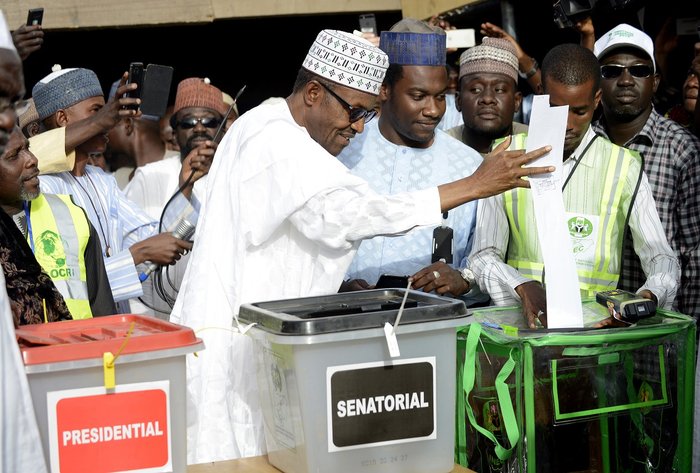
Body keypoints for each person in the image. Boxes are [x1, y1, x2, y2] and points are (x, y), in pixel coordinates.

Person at [171, 28, 553, 463]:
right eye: (354, 112)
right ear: (314, 92)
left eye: (366, 115)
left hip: (267, 343)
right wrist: (471, 186)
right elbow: (352, 214)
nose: (357, 128)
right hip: (233, 347)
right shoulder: (277, 142)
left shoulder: (270, 124)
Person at [468, 43, 679, 329]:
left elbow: (660, 256)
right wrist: (521, 286)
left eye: (579, 111)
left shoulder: (623, 166)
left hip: (594, 344)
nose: (567, 124)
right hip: (523, 337)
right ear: (541, 92)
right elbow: (482, 255)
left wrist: (648, 295)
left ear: (596, 100)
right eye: (557, 109)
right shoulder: (507, 157)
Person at [337, 18, 483, 302]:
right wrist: (339, 286)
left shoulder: (470, 166)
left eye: (440, 97)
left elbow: (485, 259)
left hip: (437, 333)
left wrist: (464, 281)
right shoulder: (345, 149)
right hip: (345, 325)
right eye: (418, 96)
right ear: (384, 90)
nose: (432, 110)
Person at [32, 66, 192, 313]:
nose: (112, 120)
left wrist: (186, 186)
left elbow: (152, 235)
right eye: (98, 111)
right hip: (73, 337)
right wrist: (137, 255)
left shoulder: (101, 180)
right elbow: (68, 283)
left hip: (115, 328)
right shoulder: (42, 187)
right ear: (63, 119)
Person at [592, 24, 700, 321]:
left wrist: (690, 332)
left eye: (638, 70)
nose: (626, 80)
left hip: (658, 336)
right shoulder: (581, 146)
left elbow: (694, 256)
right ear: (595, 84)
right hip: (592, 330)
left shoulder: (683, 150)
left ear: (654, 81)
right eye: (611, 71)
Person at [124, 77, 226, 317]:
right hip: (157, 313)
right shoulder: (149, 177)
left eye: (210, 121)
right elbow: (134, 249)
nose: (199, 128)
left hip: (217, 311)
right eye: (188, 122)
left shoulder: (238, 177)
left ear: (224, 129)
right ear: (175, 131)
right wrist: (185, 187)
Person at [1, 125, 116, 319]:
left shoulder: (71, 215)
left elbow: (103, 311)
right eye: (14, 156)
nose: (32, 160)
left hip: (77, 347)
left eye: (27, 148)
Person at [447, 36, 528, 156]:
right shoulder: (441, 149)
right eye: (475, 89)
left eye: (499, 89)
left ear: (517, 101)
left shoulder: (538, 144)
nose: (487, 98)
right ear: (458, 101)